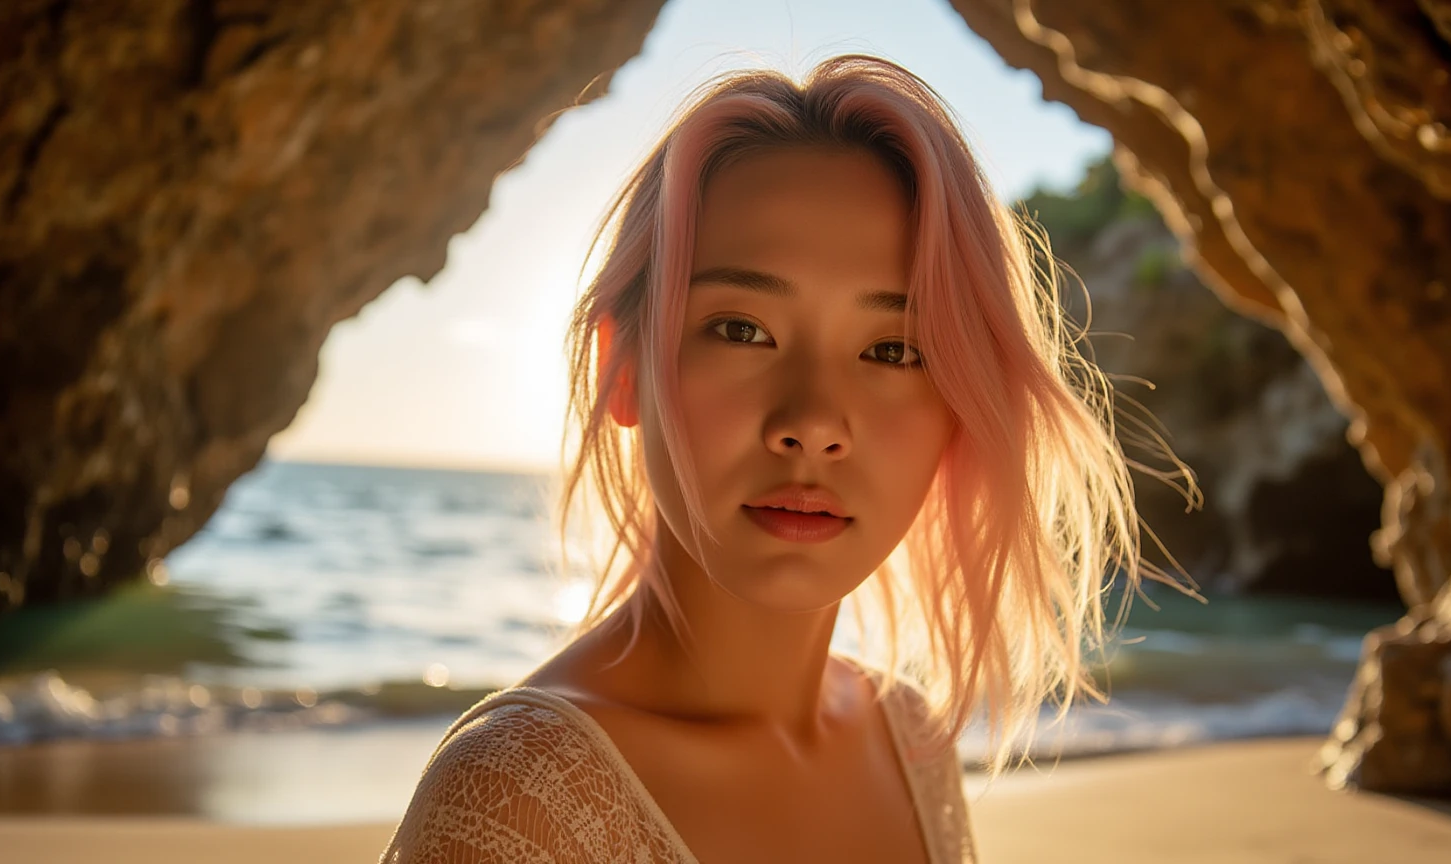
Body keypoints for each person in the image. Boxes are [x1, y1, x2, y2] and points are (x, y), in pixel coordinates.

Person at [380, 53, 1187, 864]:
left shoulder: (909, 740)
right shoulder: (520, 797)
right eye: (742, 329)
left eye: (893, 349)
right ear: (619, 369)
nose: (813, 423)